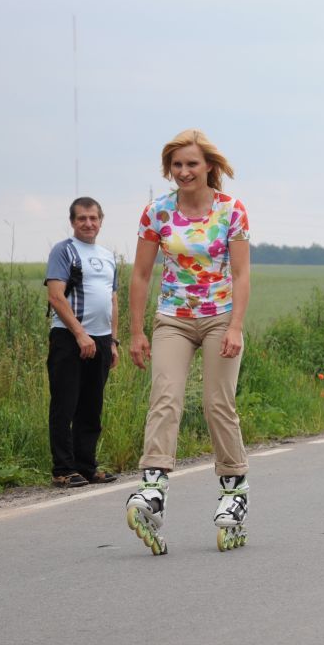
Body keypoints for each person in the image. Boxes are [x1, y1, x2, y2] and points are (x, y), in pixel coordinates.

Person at [126, 129, 251, 555]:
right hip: (173, 319)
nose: (183, 172)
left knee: (219, 403)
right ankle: (153, 488)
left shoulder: (232, 211)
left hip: (219, 317)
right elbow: (141, 274)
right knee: (166, 397)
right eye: (176, 165)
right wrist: (137, 331)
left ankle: (234, 491)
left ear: (209, 167)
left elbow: (241, 274)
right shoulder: (156, 213)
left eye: (191, 164)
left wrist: (235, 326)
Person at [44, 197, 119, 488]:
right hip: (69, 337)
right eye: (81, 219)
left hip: (100, 340)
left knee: (91, 405)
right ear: (72, 221)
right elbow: (55, 296)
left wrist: (112, 341)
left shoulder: (108, 255)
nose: (88, 223)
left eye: (93, 218)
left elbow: (112, 299)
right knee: (65, 404)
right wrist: (79, 334)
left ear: (101, 220)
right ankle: (63, 469)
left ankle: (86, 466)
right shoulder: (64, 251)